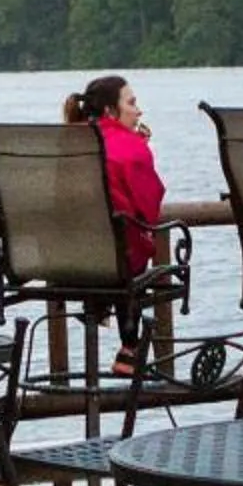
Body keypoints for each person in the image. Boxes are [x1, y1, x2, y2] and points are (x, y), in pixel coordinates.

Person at [63, 73, 164, 374]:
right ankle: (130, 346)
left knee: (114, 248)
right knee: (132, 248)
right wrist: (140, 148)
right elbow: (149, 208)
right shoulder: (128, 147)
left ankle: (107, 322)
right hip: (115, 265)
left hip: (65, 263)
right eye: (132, 103)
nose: (138, 110)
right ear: (110, 111)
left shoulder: (68, 143)